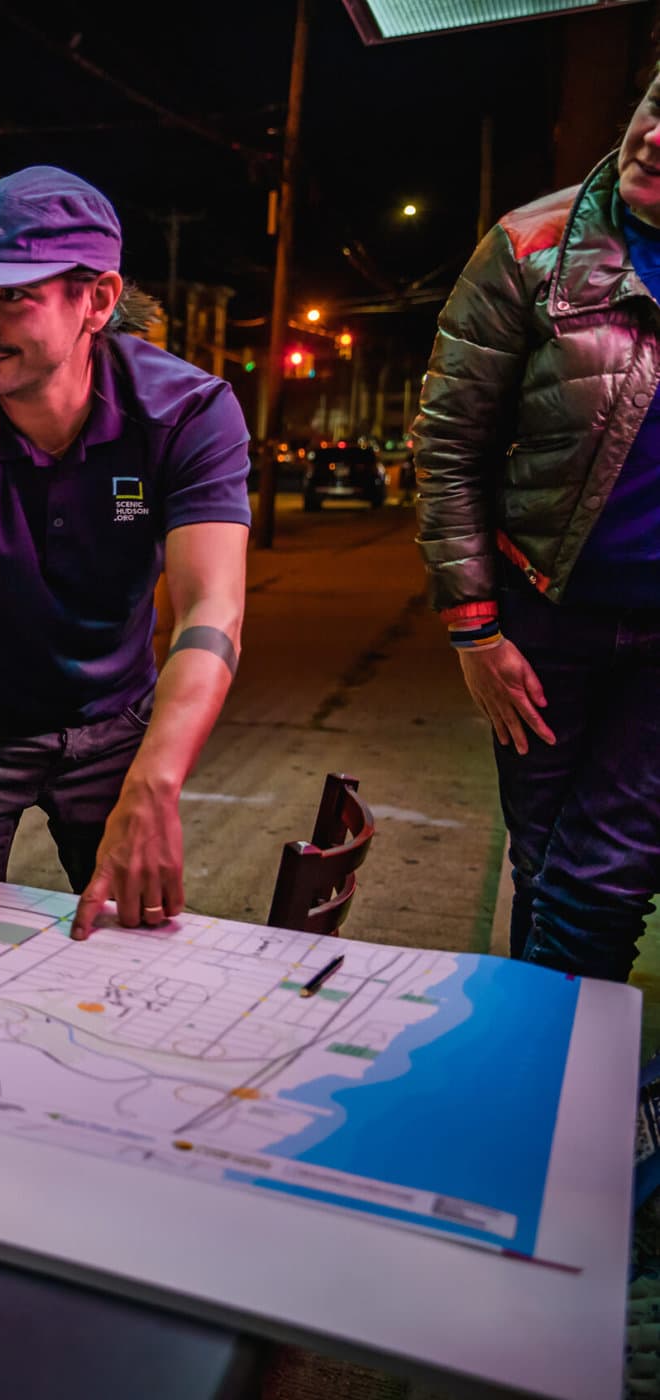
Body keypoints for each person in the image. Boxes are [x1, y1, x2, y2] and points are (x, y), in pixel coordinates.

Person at [0, 166, 250, 939]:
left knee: (133, 939)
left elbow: (213, 607)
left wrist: (158, 781)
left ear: (98, 301)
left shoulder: (184, 413)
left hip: (117, 720)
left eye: (12, 295)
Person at [413, 67, 660, 981]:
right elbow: (448, 446)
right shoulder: (530, 244)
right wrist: (474, 627)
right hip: (546, 617)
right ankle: (542, 1095)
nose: (655, 137)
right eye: (657, 105)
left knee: (601, 880)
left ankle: (548, 1085)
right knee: (546, 858)